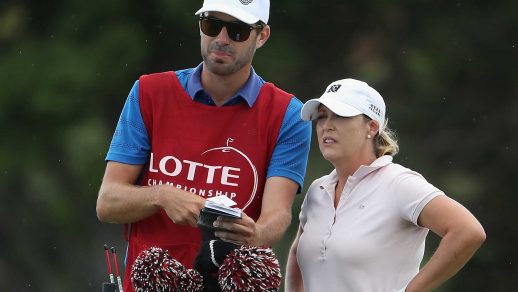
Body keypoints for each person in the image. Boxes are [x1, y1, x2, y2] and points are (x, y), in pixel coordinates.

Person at [95, 0, 311, 291]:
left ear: (262, 36)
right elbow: (108, 202)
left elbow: (278, 213)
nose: (221, 39)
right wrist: (162, 196)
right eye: (211, 24)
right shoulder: (149, 92)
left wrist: (256, 234)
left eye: (237, 30)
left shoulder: (289, 115)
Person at [285, 78, 486, 292]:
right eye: (322, 116)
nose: (327, 126)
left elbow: (468, 231)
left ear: (371, 127)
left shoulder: (399, 184)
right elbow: (299, 254)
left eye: (341, 116)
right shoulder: (318, 189)